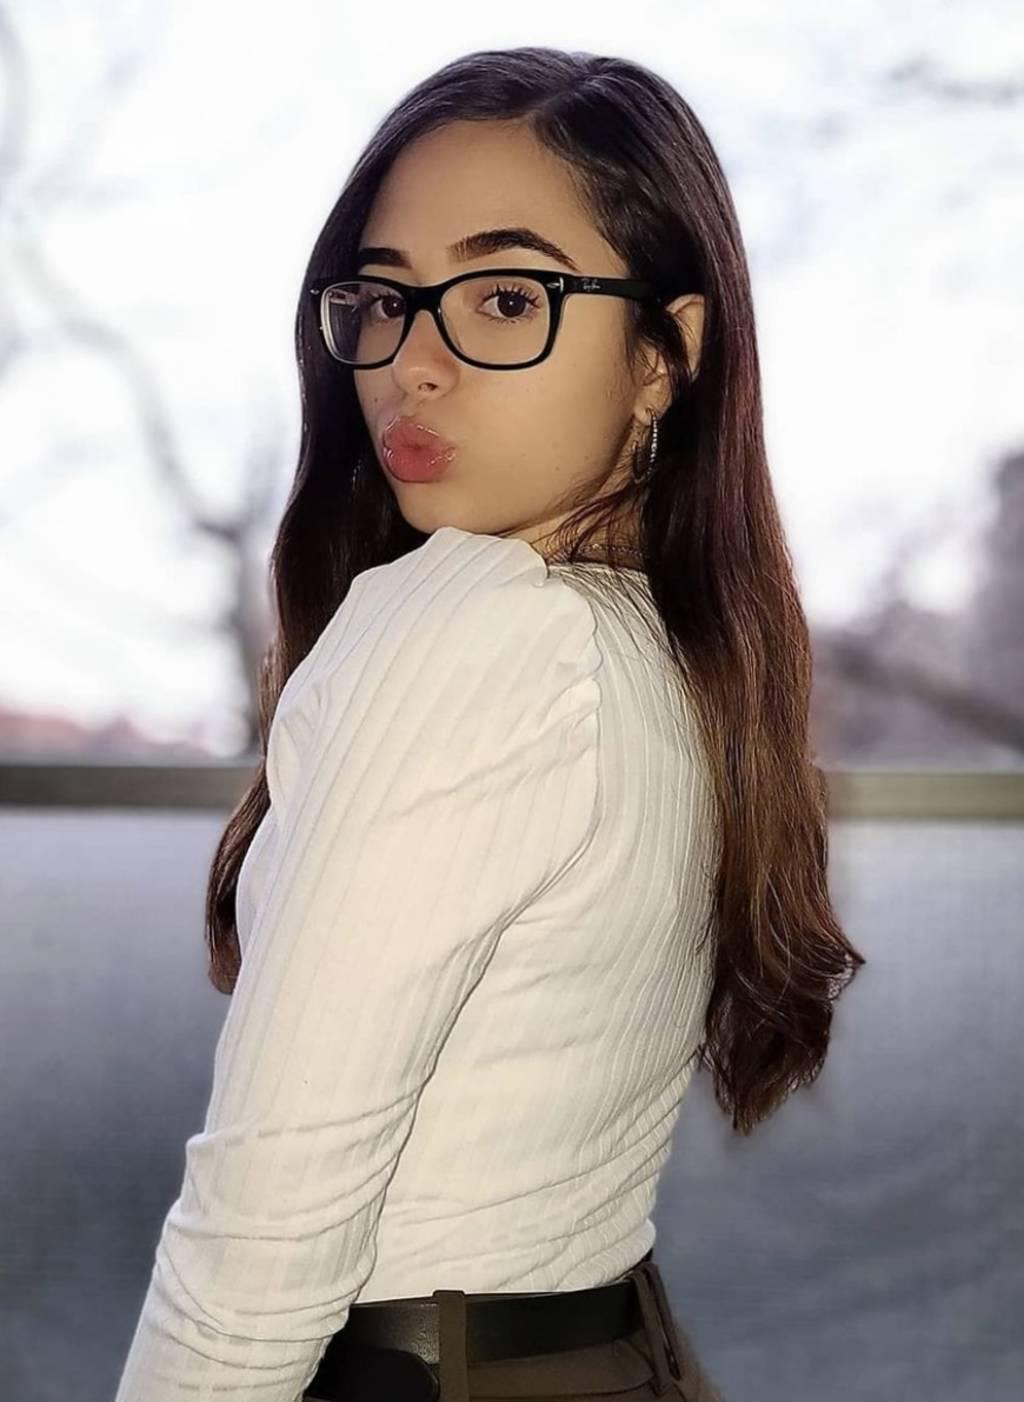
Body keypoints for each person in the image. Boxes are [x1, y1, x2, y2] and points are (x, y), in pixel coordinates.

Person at [113, 45, 866, 1402]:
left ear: (665, 353)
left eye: (507, 297)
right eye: (384, 299)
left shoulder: (474, 628)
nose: (414, 364)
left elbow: (260, 1235)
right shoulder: (668, 650)